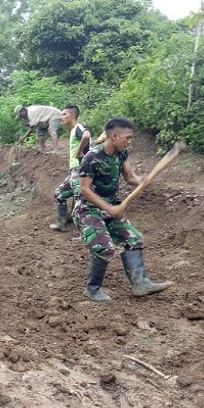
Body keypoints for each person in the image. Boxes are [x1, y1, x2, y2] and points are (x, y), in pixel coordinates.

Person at [75, 118, 173, 302]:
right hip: (88, 210)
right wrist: (110, 209)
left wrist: (142, 180)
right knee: (103, 248)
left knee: (133, 238)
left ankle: (140, 283)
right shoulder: (92, 157)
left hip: (111, 207)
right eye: (127, 137)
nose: (129, 141)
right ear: (114, 136)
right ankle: (92, 289)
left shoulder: (121, 153)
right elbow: (84, 189)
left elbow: (129, 177)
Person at [49, 105, 91, 232]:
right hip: (74, 170)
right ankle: (62, 223)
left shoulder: (79, 127)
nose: (61, 117)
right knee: (59, 194)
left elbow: (87, 136)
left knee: (80, 200)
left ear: (72, 115)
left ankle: (85, 233)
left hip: (80, 170)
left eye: (64, 114)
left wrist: (79, 152)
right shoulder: (74, 130)